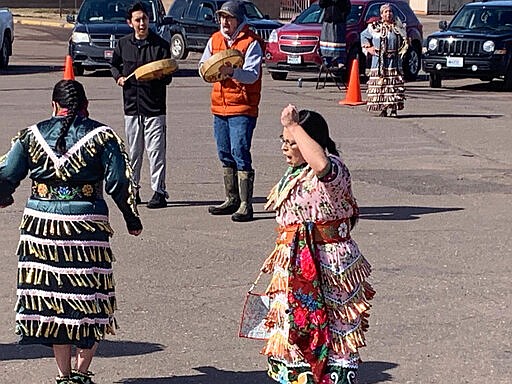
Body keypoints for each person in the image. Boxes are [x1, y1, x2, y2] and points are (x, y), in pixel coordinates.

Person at [0, 79, 143, 384]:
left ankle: (64, 375)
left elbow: (8, 173)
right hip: (86, 227)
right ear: (86, 106)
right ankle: (81, 373)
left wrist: (3, 196)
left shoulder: (31, 135)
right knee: (87, 296)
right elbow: (119, 182)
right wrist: (131, 218)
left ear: (54, 106)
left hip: (41, 228)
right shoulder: (103, 136)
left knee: (55, 298)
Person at [253, 105, 374, 384]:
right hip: (293, 262)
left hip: (329, 263)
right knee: (293, 326)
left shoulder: (334, 170)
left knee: (335, 327)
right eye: (284, 141)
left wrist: (295, 125)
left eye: (293, 142)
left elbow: (322, 166)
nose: (286, 148)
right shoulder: (294, 173)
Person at [199, 0, 264, 222]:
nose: (224, 22)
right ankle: (231, 198)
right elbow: (203, 65)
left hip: (242, 107)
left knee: (240, 152)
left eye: (229, 18)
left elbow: (252, 74)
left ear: (238, 19)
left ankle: (246, 205)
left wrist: (232, 71)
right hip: (219, 106)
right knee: (224, 153)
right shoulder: (215, 40)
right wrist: (207, 71)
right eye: (222, 17)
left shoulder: (251, 42)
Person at [110, 1, 173, 208]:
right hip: (131, 108)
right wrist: (118, 77)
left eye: (144, 19)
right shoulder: (123, 44)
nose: (142, 23)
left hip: (154, 108)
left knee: (156, 152)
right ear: (130, 23)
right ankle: (133, 189)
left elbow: (168, 74)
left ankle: (159, 191)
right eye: (137, 20)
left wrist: (158, 75)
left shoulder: (160, 45)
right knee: (134, 152)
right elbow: (114, 65)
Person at [360, 3, 408, 117]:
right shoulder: (374, 27)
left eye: (390, 11)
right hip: (379, 62)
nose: (388, 14)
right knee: (381, 86)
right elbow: (363, 36)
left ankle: (394, 109)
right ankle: (383, 109)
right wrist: (368, 47)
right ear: (381, 14)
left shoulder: (398, 27)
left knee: (393, 85)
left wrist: (405, 46)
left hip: (394, 62)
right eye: (385, 12)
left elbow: (405, 40)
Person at [319, 0, 352, 68]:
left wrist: (342, 16)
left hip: (339, 22)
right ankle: (327, 61)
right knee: (327, 42)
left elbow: (347, 7)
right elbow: (321, 4)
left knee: (339, 42)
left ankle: (340, 61)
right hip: (328, 21)